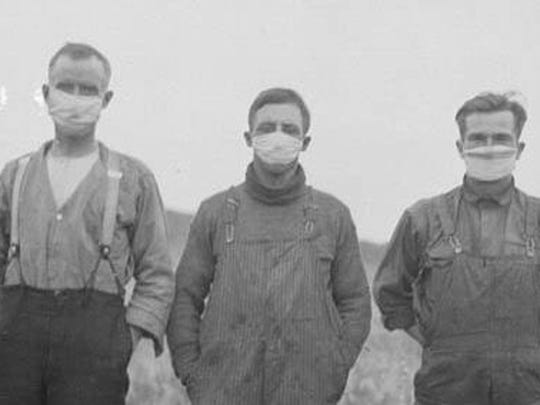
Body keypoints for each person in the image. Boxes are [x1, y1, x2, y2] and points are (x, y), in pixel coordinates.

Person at [167, 87, 371, 404]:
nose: (278, 137)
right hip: (222, 391)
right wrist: (193, 374)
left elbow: (356, 302)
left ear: (305, 142)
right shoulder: (216, 212)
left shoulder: (333, 216)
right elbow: (185, 298)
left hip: (306, 391)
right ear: (248, 138)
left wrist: (335, 367)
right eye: (266, 128)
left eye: (289, 129)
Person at [0, 42, 174, 405]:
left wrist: (128, 335)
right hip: (15, 340)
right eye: (66, 87)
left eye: (88, 90)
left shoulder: (132, 178)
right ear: (47, 94)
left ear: (105, 99)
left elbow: (157, 273)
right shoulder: (14, 175)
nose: (75, 98)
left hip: (95, 344)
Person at [374, 91, 540, 405]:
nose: (490, 147)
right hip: (445, 391)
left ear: (519, 148)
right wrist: (439, 344)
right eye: (478, 138)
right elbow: (390, 293)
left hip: (529, 392)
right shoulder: (421, 219)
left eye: (501, 137)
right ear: (460, 147)